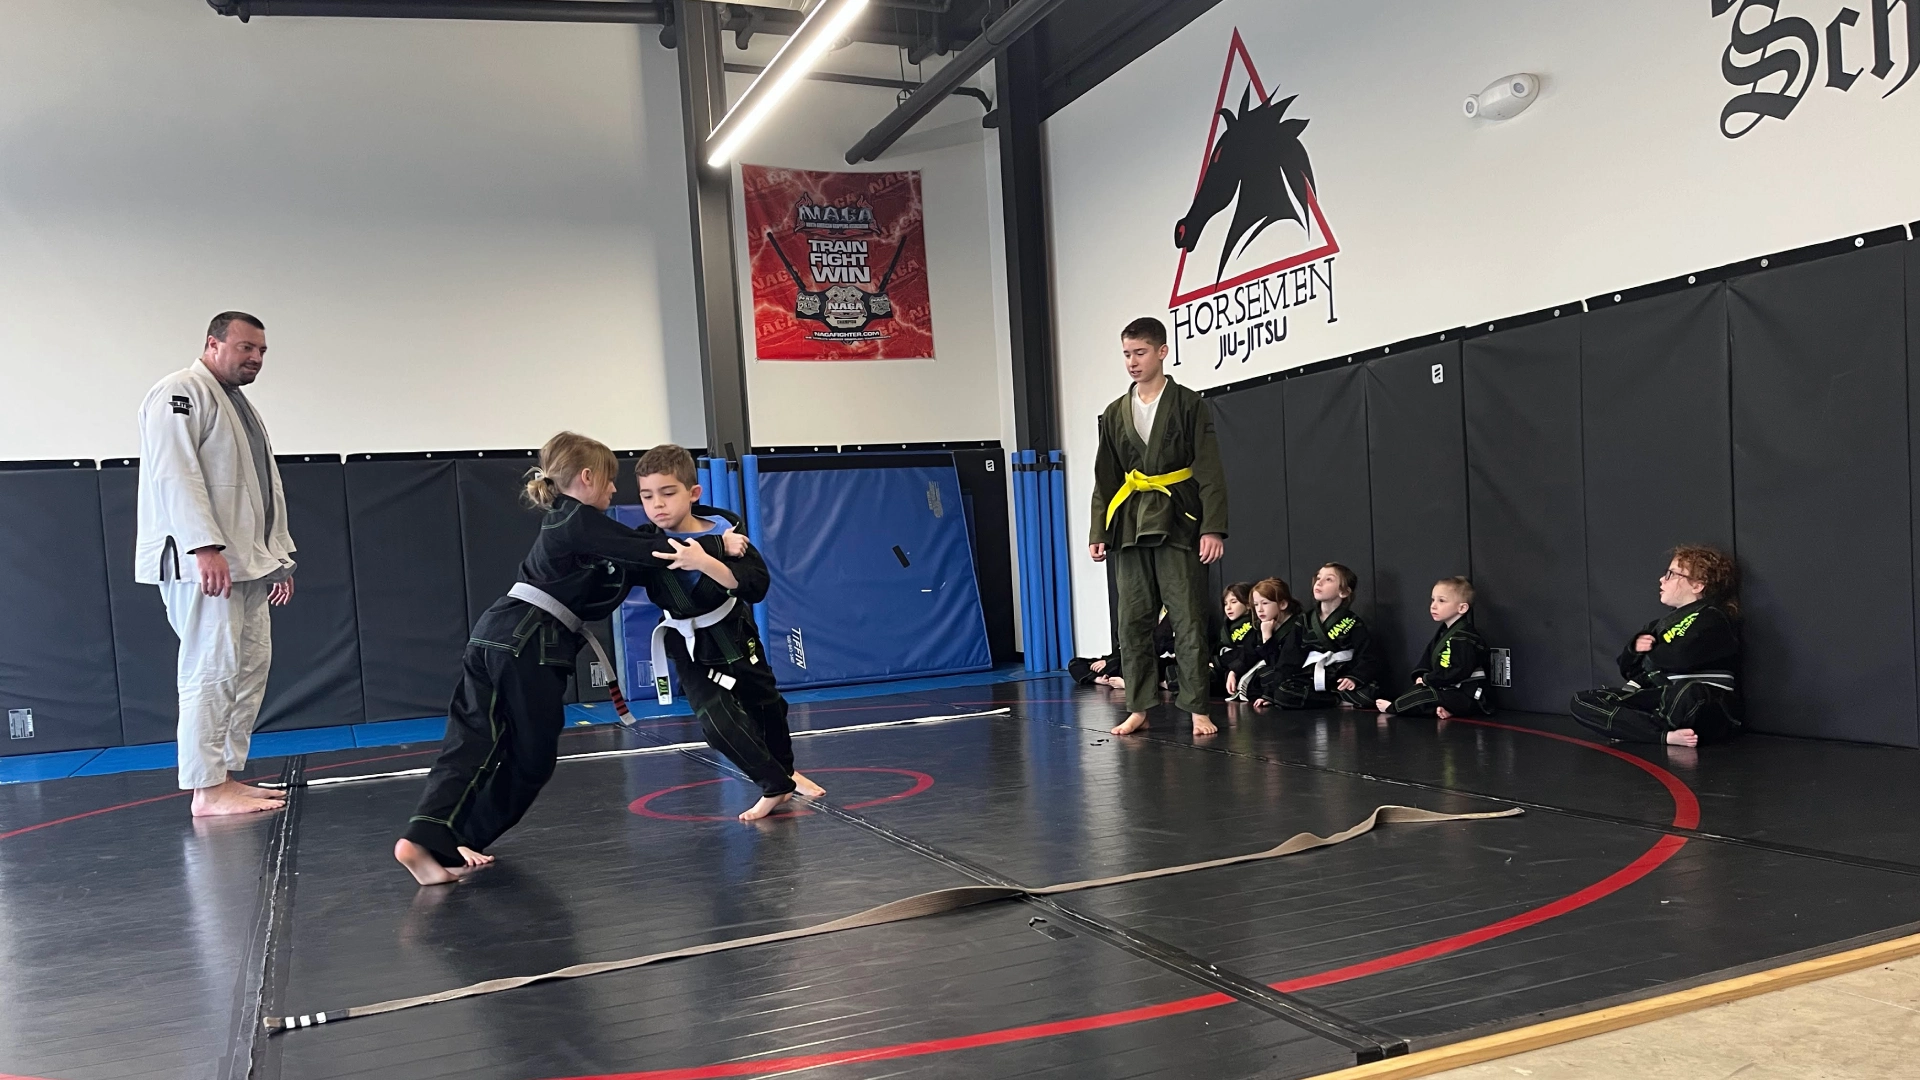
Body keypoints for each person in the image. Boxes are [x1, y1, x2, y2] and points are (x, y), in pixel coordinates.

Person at [395, 433, 748, 884]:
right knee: (530, 760)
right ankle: (447, 838)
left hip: (495, 636)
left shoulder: (573, 526)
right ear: (586, 477)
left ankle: (431, 838)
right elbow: (649, 552)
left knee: (472, 741)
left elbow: (636, 551)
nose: (613, 491)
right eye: (610, 481)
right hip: (528, 644)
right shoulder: (578, 518)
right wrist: (719, 547)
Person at [136, 312, 296, 817]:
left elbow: (260, 492)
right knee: (211, 667)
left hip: (244, 561)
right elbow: (174, 474)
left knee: (249, 664)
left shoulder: (237, 403)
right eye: (246, 347)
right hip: (202, 562)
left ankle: (224, 775)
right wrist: (203, 546)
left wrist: (278, 561)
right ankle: (205, 788)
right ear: (213, 343)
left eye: (262, 351)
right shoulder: (179, 391)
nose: (256, 358)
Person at [630, 444, 823, 822]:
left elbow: (756, 587)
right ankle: (775, 783)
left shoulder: (728, 533)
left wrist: (705, 560)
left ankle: (784, 772)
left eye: (668, 493)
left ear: (693, 493)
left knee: (766, 705)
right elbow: (632, 554)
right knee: (717, 724)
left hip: (733, 630)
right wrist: (710, 547)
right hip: (687, 643)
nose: (658, 505)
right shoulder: (647, 541)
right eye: (647, 496)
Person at [1088, 317, 1229, 737]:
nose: (1132, 362)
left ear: (1162, 352)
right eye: (1127, 354)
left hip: (1179, 519)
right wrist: (1099, 530)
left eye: (1140, 353)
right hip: (1130, 522)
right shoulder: (1115, 412)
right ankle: (1139, 705)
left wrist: (1213, 527)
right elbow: (1106, 477)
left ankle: (1197, 708)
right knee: (1131, 619)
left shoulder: (1188, 403)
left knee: (1187, 617)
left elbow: (1209, 468)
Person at [1571, 546, 1742, 747]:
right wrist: (1635, 650)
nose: (1662, 580)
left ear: (1697, 585)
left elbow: (1681, 658)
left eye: (1671, 574)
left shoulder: (1713, 617)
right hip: (1661, 698)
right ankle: (1663, 734)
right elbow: (1628, 669)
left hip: (1701, 701)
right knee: (1582, 701)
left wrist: (1650, 652)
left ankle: (1638, 729)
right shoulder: (1657, 625)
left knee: (1687, 692)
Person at [1268, 563, 1382, 709]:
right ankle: (1336, 701)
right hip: (1311, 676)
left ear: (1344, 592)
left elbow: (1368, 656)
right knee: (1283, 693)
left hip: (1341, 676)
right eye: (1318, 577)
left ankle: (1329, 699)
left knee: (1371, 691)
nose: (1319, 582)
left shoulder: (1352, 622)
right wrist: (1270, 692)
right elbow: (1289, 657)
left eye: (1329, 579)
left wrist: (1354, 677)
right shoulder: (1304, 620)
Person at [1375, 577, 1493, 719]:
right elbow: (1427, 659)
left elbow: (1458, 670)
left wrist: (1428, 679)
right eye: (1433, 600)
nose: (1433, 606)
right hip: (1449, 691)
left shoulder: (1465, 637)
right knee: (1419, 690)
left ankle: (1393, 708)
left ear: (1462, 608)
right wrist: (1422, 676)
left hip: (1468, 696)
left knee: (1424, 695)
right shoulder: (1444, 633)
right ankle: (1448, 710)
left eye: (1441, 601)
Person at [1240, 577, 1303, 705]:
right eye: (1256, 605)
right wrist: (1233, 671)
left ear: (1282, 604)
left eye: (1265, 603)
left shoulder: (1297, 626)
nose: (1260, 609)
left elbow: (1282, 664)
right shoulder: (1266, 624)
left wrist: (1267, 637)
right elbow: (1250, 654)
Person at [1214, 582, 1258, 695]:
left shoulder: (1255, 625)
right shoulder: (1226, 627)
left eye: (1234, 602)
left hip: (1243, 669)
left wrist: (1220, 663)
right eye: (1225, 603)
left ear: (1248, 604)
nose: (1228, 607)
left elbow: (1249, 652)